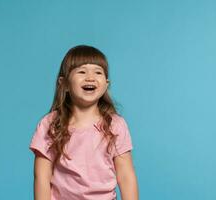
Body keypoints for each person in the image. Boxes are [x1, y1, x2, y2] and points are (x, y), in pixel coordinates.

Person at [29, 45, 139, 200]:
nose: (90, 77)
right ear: (64, 84)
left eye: (98, 72)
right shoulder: (50, 124)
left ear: (106, 84)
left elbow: (126, 175)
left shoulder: (115, 125)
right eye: (82, 71)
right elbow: (41, 176)